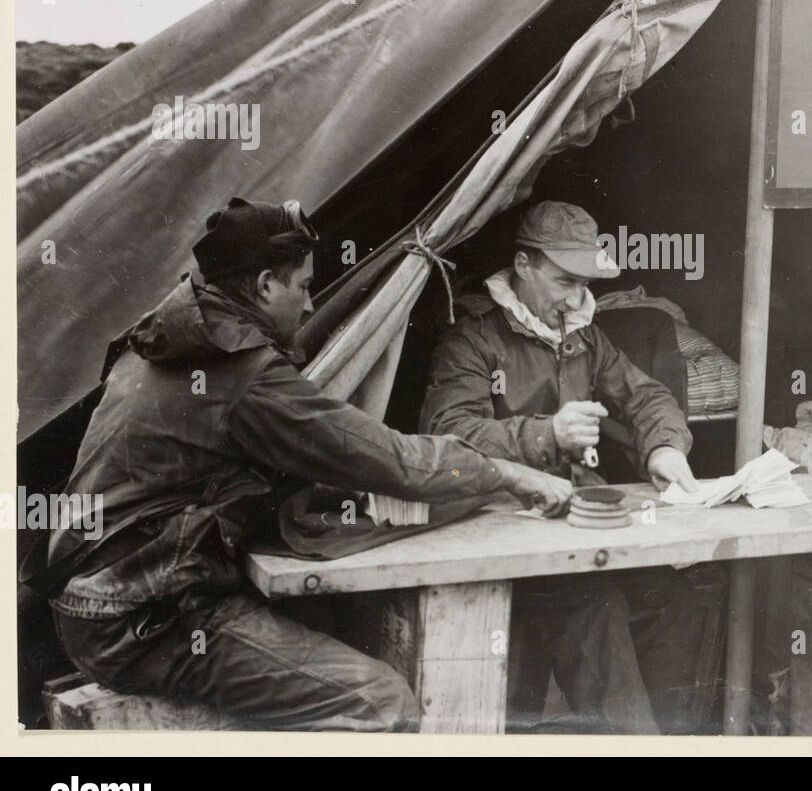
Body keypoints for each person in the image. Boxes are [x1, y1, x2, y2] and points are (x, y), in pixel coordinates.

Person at [37, 198, 571, 732]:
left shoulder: (171, 336)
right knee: (380, 702)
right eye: (304, 286)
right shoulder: (240, 372)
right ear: (266, 285)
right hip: (144, 621)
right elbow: (386, 458)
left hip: (102, 601)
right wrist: (507, 473)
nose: (313, 304)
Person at [420, 201, 726, 734]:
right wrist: (546, 434)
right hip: (505, 536)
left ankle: (668, 737)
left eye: (585, 283)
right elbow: (450, 435)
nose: (577, 298)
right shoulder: (473, 339)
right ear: (523, 266)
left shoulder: (585, 336)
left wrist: (663, 448)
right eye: (564, 282)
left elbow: (645, 396)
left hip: (581, 532)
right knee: (595, 606)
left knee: (692, 593)